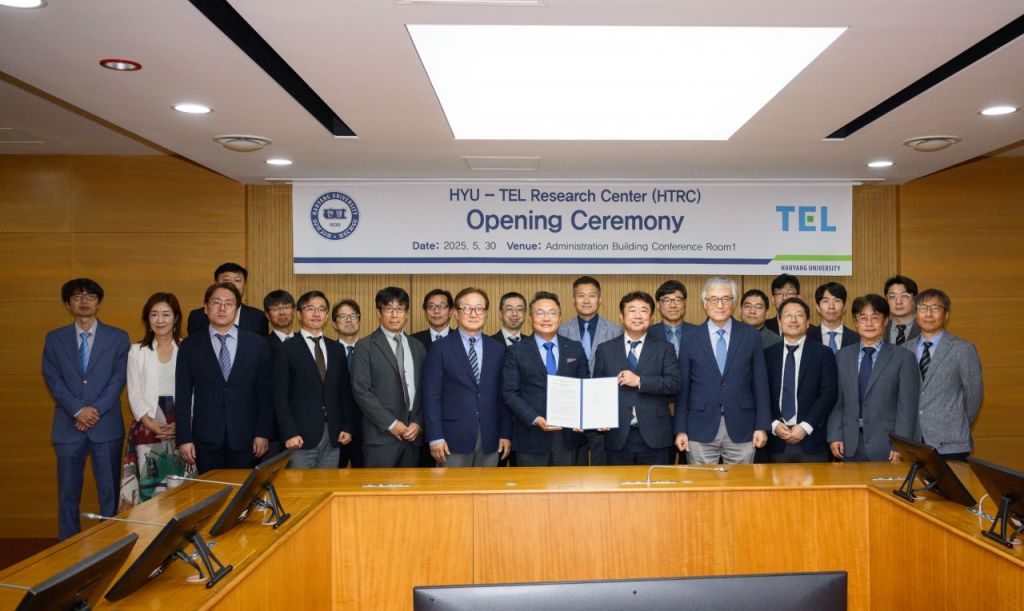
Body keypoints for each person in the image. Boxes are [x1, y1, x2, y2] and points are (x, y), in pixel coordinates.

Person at [42, 278, 130, 540]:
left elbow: (119, 378)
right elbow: (53, 379)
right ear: (68, 304)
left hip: (106, 425)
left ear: (98, 303)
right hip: (68, 426)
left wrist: (94, 410)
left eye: (90, 296)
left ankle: (110, 545)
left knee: (110, 492)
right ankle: (68, 548)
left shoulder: (118, 337)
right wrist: (78, 410)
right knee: (68, 493)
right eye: (77, 297)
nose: (84, 301)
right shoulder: (55, 338)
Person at [176, 283, 274, 474]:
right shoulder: (189, 346)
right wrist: (184, 438)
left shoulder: (257, 344)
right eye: (216, 303)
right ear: (206, 308)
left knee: (244, 490)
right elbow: (183, 395)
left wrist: (262, 433)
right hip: (205, 439)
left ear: (236, 310)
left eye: (229, 303)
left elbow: (264, 394)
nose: (222, 308)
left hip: (246, 438)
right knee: (211, 491)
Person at [674, 277, 770, 464]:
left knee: (741, 482)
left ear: (734, 303)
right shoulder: (690, 337)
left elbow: (760, 383)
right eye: (713, 299)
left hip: (743, 426)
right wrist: (680, 429)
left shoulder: (750, 335)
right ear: (705, 304)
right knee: (702, 482)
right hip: (699, 427)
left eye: (726, 299)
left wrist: (762, 426)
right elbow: (683, 387)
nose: (720, 305)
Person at [423, 288, 511, 467]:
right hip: (451, 439)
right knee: (451, 485)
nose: (473, 314)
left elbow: (503, 396)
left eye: (479, 308)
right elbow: (431, 396)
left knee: (488, 485)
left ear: (485, 313)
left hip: (491, 437)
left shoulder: (498, 349)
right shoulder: (440, 348)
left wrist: (505, 433)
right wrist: (435, 437)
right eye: (467, 308)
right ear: (456, 313)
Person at [120, 292, 191, 510]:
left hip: (182, 420)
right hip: (147, 423)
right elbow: (134, 392)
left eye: (166, 314)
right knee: (149, 485)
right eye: (154, 314)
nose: (160, 320)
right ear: (147, 319)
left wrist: (182, 422)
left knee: (182, 486)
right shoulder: (137, 351)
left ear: (176, 318)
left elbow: (196, 390)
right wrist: (148, 422)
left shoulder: (188, 348)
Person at [828, 294, 919, 462]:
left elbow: (907, 408)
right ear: (856, 323)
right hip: (848, 443)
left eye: (875, 318)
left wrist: (900, 445)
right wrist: (835, 435)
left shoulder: (904, 358)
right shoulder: (842, 356)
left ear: (885, 321)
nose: (869, 323)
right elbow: (837, 402)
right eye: (863, 318)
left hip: (887, 445)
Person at [593, 291, 681, 465]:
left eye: (643, 310)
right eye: (632, 310)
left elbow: (674, 384)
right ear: (621, 317)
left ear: (652, 317)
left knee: (656, 482)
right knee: (619, 483)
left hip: (655, 435)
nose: (638, 316)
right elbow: (597, 389)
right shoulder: (605, 349)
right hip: (617, 435)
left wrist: (640, 381)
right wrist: (599, 418)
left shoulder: (665, 348)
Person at [503, 291, 588, 466]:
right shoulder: (516, 351)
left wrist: (584, 417)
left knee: (568, 483)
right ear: (530, 318)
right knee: (531, 484)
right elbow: (509, 393)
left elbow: (585, 388)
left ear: (560, 317)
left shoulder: (575, 348)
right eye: (540, 313)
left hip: (568, 437)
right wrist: (534, 418)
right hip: (531, 437)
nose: (546, 318)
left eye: (552, 313)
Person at [273, 291, 354, 468]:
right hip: (300, 437)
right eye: (310, 308)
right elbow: (280, 397)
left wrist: (347, 427)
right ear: (299, 314)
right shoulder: (286, 348)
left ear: (327, 316)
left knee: (327, 484)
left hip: (333, 434)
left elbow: (345, 393)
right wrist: (289, 433)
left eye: (321, 309)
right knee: (300, 485)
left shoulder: (337, 349)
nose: (316, 313)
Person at [350, 287, 427, 468]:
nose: (394, 315)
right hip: (381, 438)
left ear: (406, 314)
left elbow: (426, 390)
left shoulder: (418, 347)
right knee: (379, 486)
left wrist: (418, 422)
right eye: (388, 309)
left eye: (399, 309)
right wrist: (392, 424)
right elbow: (361, 391)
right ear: (379, 312)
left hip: (413, 436)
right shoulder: (365, 347)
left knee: (410, 487)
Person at [909, 289, 983, 461]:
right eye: (923, 308)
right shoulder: (905, 349)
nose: (928, 314)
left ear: (946, 315)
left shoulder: (962, 349)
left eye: (935, 308)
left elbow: (974, 394)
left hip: (950, 441)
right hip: (914, 441)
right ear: (916, 314)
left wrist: (958, 422)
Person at [764, 298, 838, 463]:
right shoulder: (768, 355)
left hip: (812, 440)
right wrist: (773, 424)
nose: (793, 320)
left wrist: (805, 426)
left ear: (808, 322)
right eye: (787, 315)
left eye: (799, 315)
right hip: (776, 441)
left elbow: (829, 394)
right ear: (780, 322)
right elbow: (761, 393)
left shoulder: (823, 354)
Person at [558, 275, 621, 465]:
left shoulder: (615, 331)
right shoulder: (560, 330)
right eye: (581, 295)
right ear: (573, 299)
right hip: (570, 412)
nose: (586, 300)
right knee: (574, 467)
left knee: (602, 467)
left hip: (603, 412)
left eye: (591, 296)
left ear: (599, 299)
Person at [186, 262, 269, 337]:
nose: (232, 284)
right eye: (226, 280)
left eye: (237, 280)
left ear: (244, 286)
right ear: (216, 284)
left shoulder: (258, 318)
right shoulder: (197, 317)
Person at [333, 299, 364, 468]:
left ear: (359, 320)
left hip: (367, 429)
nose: (349, 320)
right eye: (343, 316)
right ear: (334, 324)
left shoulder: (370, 350)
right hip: (337, 430)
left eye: (353, 315)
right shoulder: (327, 351)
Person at [807, 282, 859, 353]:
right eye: (826, 301)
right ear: (818, 307)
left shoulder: (857, 339)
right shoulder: (807, 337)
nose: (831, 306)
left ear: (844, 307)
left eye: (837, 301)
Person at [649, 279, 696, 357]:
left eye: (678, 300)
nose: (673, 305)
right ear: (658, 305)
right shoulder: (648, 334)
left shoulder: (698, 333)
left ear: (685, 303)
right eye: (667, 301)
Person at [884, 275, 920, 345]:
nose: (898, 302)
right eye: (892, 296)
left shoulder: (925, 327)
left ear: (915, 298)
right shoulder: (880, 328)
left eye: (904, 296)